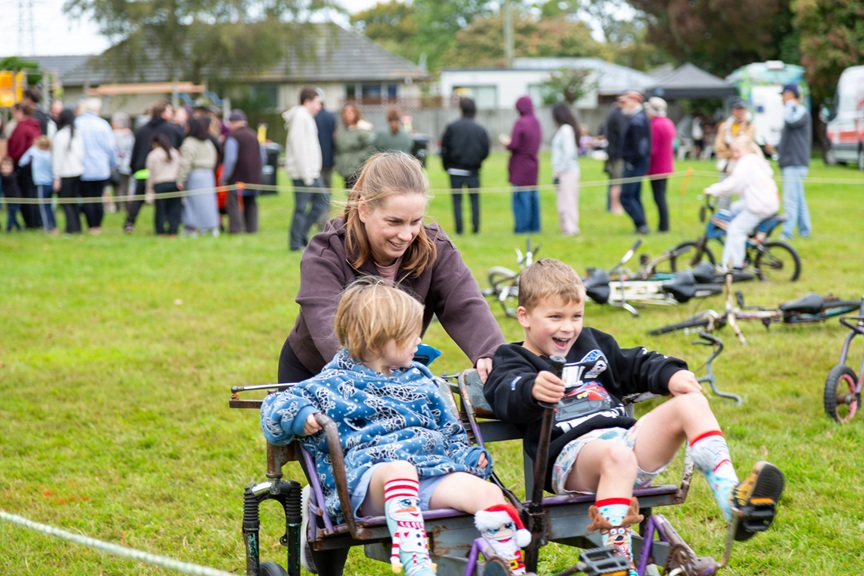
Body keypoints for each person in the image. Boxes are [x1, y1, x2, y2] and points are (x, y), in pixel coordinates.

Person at [484, 258, 786, 575]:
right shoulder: (512, 359)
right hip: (571, 461)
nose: (568, 327)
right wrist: (532, 389)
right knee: (618, 457)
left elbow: (637, 362)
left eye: (576, 316)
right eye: (555, 316)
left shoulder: (592, 343)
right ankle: (618, 562)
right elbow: (506, 393)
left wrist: (670, 375)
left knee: (691, 404)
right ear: (524, 317)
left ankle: (734, 504)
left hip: (624, 444)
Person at [262, 279, 527, 576]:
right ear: (377, 340)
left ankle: (508, 564)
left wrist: (466, 458)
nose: (419, 341)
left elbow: (448, 429)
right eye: (410, 335)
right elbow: (274, 408)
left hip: (429, 473)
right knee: (399, 469)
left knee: (487, 493)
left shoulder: (420, 381)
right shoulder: (330, 385)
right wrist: (303, 416)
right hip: (367, 485)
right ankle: (417, 564)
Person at [276, 151, 506, 385]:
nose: (406, 235)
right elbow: (329, 327)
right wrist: (373, 382)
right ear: (364, 209)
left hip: (392, 374)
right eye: (394, 222)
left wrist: (490, 352)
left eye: (415, 221)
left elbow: (465, 304)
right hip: (314, 374)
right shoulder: (326, 253)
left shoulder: (435, 248)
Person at [703, 136, 779, 270]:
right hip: (766, 202)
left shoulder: (746, 163)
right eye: (733, 151)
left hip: (759, 206)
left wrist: (712, 190)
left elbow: (732, 185)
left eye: (737, 151)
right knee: (734, 208)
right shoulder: (756, 161)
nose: (735, 155)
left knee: (735, 229)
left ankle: (734, 265)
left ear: (748, 150)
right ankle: (746, 244)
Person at [126, 101, 184, 234]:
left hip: (142, 170)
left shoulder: (141, 129)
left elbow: (134, 152)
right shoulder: (171, 129)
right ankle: (171, 228)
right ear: (163, 113)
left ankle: (130, 222)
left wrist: (133, 168)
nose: (172, 114)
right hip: (164, 172)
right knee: (165, 204)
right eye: (169, 111)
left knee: (138, 198)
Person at [283, 86, 328, 251]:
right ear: (307, 101)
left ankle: (302, 236)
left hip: (312, 173)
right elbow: (299, 147)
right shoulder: (301, 116)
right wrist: (306, 174)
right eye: (317, 102)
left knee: (322, 202)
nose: (319, 106)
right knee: (301, 208)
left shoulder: (307, 116)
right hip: (304, 174)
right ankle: (295, 243)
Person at [440, 97, 490, 235]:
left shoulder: (452, 127)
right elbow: (485, 150)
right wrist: (477, 162)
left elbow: (444, 149)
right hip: (473, 171)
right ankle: (476, 229)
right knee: (474, 200)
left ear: (461, 109)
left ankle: (459, 230)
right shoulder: (480, 129)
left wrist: (446, 166)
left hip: (455, 170)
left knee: (457, 201)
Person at [771, 83, 811, 240]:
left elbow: (790, 120)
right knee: (799, 199)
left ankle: (786, 233)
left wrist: (789, 103)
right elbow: (792, 136)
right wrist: (775, 147)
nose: (782, 98)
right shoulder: (796, 111)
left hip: (794, 162)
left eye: (784, 95)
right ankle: (805, 231)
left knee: (790, 199)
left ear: (790, 94)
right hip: (793, 160)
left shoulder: (798, 111)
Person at [75, 97, 117, 235]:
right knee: (98, 198)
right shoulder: (103, 124)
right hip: (101, 168)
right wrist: (112, 164)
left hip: (83, 168)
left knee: (87, 199)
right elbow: (111, 148)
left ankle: (90, 226)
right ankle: (97, 226)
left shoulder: (78, 123)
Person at [500, 96, 541, 234]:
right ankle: (535, 227)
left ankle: (522, 228)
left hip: (520, 165)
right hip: (533, 164)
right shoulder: (536, 122)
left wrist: (506, 142)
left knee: (521, 198)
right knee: (533, 197)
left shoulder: (520, 123)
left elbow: (515, 145)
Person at [220, 108, 263, 234]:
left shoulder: (233, 137)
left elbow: (230, 160)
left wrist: (225, 177)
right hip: (254, 176)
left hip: (237, 177)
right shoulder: (254, 135)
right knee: (251, 203)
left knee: (233, 203)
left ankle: (236, 229)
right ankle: (252, 228)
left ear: (233, 123)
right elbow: (262, 157)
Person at [176, 116, 220, 237]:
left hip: (195, 175)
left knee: (192, 203)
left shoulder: (189, 142)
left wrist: (180, 179)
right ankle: (211, 227)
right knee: (208, 202)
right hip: (208, 174)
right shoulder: (208, 142)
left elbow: (186, 162)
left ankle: (192, 228)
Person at [713, 99, 756, 210]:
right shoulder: (725, 126)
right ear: (732, 111)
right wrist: (734, 151)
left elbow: (745, 146)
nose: (739, 113)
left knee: (744, 197)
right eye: (737, 110)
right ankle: (722, 221)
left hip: (744, 166)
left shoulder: (750, 126)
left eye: (742, 110)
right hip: (727, 167)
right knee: (724, 195)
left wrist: (732, 148)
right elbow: (719, 148)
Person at [619, 91, 651, 234]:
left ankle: (641, 224)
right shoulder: (639, 117)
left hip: (636, 162)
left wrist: (632, 161)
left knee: (626, 195)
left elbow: (640, 146)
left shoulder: (637, 120)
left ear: (634, 102)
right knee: (634, 195)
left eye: (625, 102)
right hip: (638, 161)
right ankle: (641, 225)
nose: (622, 106)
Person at [8, 101, 42, 229]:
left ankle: (31, 223)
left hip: (24, 165)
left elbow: (16, 148)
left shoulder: (22, 127)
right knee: (33, 194)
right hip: (35, 164)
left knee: (26, 195)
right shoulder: (35, 125)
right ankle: (36, 221)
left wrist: (11, 159)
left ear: (20, 112)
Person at [51, 108, 84, 234]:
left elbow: (57, 158)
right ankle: (77, 227)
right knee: (73, 201)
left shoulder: (60, 136)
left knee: (66, 202)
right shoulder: (77, 134)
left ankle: (71, 228)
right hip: (77, 172)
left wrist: (56, 176)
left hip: (65, 173)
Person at [550, 102, 580, 236]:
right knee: (562, 201)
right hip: (562, 171)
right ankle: (565, 227)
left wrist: (559, 169)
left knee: (568, 201)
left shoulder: (566, 130)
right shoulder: (563, 130)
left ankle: (571, 228)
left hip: (567, 171)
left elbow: (569, 152)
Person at [646, 96, 674, 233]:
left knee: (659, 197)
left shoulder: (655, 125)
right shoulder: (668, 122)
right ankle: (664, 225)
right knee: (661, 196)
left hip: (657, 167)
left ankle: (663, 226)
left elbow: (653, 149)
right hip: (666, 166)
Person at [145, 133, 182, 236]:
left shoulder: (153, 155)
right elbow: (181, 169)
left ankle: (160, 231)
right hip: (174, 184)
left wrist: (149, 190)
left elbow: (150, 174)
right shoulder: (174, 152)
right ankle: (173, 231)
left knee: (160, 210)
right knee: (174, 209)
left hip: (160, 185)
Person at [19, 135, 57, 234]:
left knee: (43, 207)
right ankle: (55, 227)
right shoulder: (51, 153)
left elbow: (22, 162)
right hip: (51, 182)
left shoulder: (34, 151)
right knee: (50, 206)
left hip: (41, 183)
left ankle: (47, 228)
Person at [334, 102, 376, 190]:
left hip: (357, 169)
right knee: (349, 194)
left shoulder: (362, 128)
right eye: (345, 112)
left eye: (350, 112)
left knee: (357, 195)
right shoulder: (341, 129)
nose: (347, 115)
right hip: (345, 169)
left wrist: (359, 159)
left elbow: (371, 146)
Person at [314, 91, 337, 230]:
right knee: (326, 193)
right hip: (328, 161)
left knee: (316, 195)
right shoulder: (331, 117)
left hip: (315, 164)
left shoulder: (312, 117)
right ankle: (325, 220)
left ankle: (319, 221)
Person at [602, 96, 627, 214]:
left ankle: (610, 206)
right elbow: (623, 136)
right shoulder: (618, 115)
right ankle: (615, 207)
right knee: (617, 182)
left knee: (613, 181)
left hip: (612, 153)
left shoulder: (613, 114)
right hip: (617, 155)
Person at [110, 112, 135, 213]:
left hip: (118, 164)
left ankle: (119, 207)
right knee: (126, 187)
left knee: (118, 187)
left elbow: (113, 150)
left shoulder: (114, 134)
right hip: (127, 164)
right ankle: (127, 206)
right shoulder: (129, 134)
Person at [1, 156, 22, 232]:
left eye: (7, 166)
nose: (5, 169)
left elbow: (6, 178)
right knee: (13, 215)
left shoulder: (11, 176)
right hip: (9, 198)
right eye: (4, 166)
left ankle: (8, 229)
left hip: (15, 198)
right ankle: (19, 228)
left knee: (11, 214)